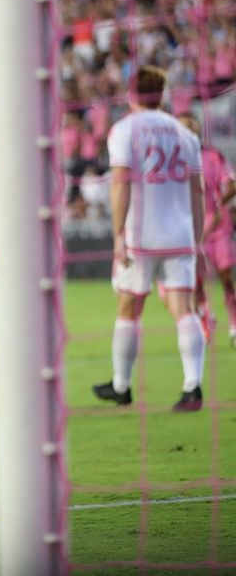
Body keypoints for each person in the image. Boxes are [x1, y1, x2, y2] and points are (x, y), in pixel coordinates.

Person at [92, 65, 205, 412]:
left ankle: (122, 385)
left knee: (129, 305)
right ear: (163, 93)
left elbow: (121, 183)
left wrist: (117, 235)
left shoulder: (125, 130)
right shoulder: (184, 134)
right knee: (184, 309)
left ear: (131, 94)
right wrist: (197, 241)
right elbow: (197, 192)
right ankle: (192, 386)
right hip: (180, 234)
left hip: (141, 234)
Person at [178, 112, 236, 348]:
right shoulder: (175, 162)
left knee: (226, 278)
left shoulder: (212, 156)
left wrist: (220, 205)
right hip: (190, 229)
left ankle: (234, 325)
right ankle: (205, 318)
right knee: (195, 283)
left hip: (217, 227)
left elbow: (231, 183)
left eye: (191, 128)